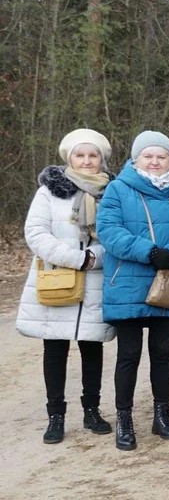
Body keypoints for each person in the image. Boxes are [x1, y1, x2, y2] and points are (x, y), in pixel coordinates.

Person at [98, 131, 169, 450]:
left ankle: (162, 415)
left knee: (162, 354)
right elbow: (109, 230)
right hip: (128, 281)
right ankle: (125, 420)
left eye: (162, 156)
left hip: (168, 283)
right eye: (148, 156)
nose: (155, 161)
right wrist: (148, 251)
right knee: (129, 355)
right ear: (136, 159)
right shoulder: (119, 188)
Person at [18, 129, 117, 444]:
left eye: (93, 155)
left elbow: (117, 234)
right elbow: (36, 233)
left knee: (92, 347)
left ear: (101, 159)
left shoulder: (112, 192)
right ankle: (56, 416)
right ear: (69, 158)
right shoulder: (49, 191)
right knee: (55, 349)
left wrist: (95, 258)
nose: (87, 161)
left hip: (96, 280)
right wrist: (77, 259)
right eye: (80, 155)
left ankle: (92, 410)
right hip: (57, 278)